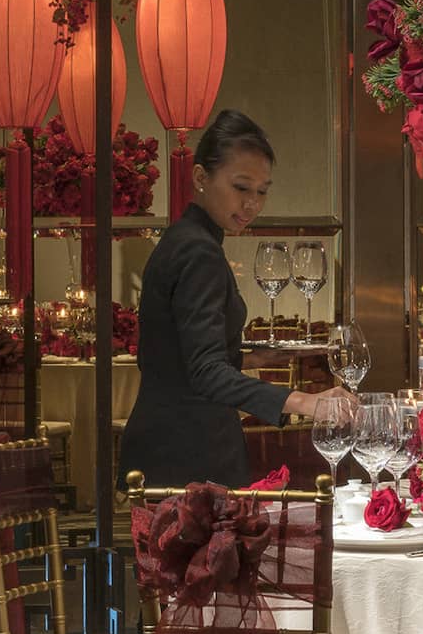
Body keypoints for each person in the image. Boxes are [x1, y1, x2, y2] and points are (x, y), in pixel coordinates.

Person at [119, 109, 355, 488]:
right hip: (189, 455)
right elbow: (205, 373)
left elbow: (175, 359)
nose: (252, 204)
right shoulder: (199, 252)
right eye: (241, 187)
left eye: (262, 191)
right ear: (200, 177)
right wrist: (306, 402)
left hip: (165, 449)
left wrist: (258, 357)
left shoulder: (183, 240)